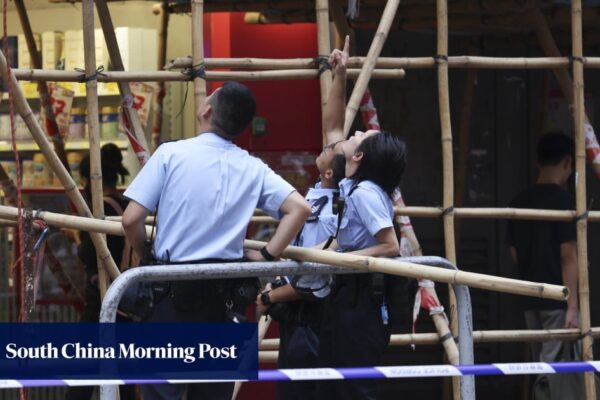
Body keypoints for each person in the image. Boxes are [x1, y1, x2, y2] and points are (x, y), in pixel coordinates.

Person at [121, 81, 311, 400]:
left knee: (160, 391)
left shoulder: (171, 154)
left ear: (206, 110)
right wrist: (266, 255)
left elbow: (130, 219)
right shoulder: (252, 166)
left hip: (169, 293)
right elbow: (300, 208)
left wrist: (145, 256)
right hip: (225, 299)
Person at [254, 38, 350, 400]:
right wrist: (339, 75)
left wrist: (270, 296)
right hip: (303, 321)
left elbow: (312, 280)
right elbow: (334, 127)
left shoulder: (332, 210)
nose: (327, 144)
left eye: (331, 149)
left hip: (310, 325)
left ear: (330, 172)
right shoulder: (328, 187)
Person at [315, 130, 407, 400]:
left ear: (358, 155)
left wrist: (345, 261)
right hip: (347, 290)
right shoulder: (353, 188)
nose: (355, 131)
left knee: (354, 388)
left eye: (362, 134)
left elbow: (391, 246)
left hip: (362, 295)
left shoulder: (365, 192)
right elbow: (339, 244)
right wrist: (290, 254)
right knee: (331, 383)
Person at [65, 143, 134, 400]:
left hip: (101, 299)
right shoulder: (126, 204)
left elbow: (89, 255)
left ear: (87, 178)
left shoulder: (95, 212)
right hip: (127, 299)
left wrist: (76, 236)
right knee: (124, 373)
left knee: (83, 369)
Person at [507, 132, 578, 365]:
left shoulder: (518, 201)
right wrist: (572, 306)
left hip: (530, 296)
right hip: (558, 300)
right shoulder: (564, 202)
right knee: (553, 368)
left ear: (539, 162)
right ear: (567, 162)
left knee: (539, 361)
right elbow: (568, 256)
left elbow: (514, 253)